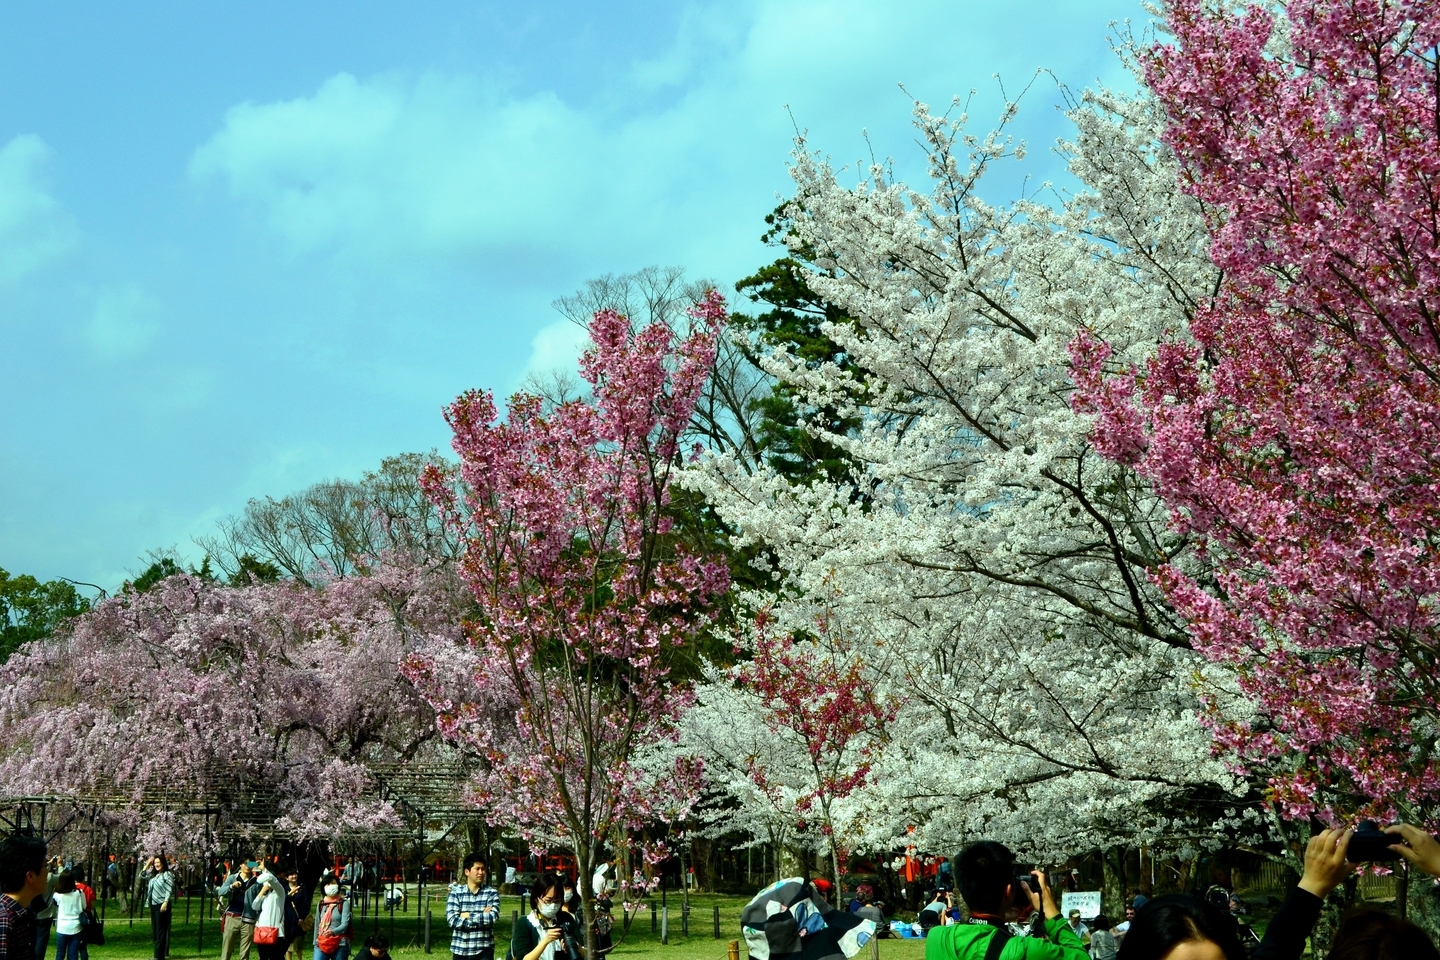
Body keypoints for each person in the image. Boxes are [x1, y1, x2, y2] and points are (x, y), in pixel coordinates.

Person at [925, 841, 1087, 960]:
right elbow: (1082, 957)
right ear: (1009, 891)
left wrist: (999, 919)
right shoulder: (1027, 950)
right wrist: (1053, 915)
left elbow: (977, 934)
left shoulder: (937, 937)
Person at [506, 873, 581, 960]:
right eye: (548, 901)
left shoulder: (566, 919)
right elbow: (524, 958)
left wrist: (576, 948)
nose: (553, 905)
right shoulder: (525, 924)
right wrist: (545, 941)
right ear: (536, 898)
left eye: (557, 901)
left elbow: (586, 952)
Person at [1, 834, 48, 960]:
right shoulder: (5, 920)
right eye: (46, 866)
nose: (48, 872)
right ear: (30, 876)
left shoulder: (25, 913)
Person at [446, 854, 499, 960]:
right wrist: (481, 916)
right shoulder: (456, 893)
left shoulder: (491, 893)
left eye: (483, 869)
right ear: (467, 872)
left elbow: (492, 918)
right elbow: (452, 920)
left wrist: (467, 915)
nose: (481, 872)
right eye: (477, 869)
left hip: (484, 950)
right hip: (460, 950)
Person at [217, 860, 260, 960]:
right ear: (240, 864)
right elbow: (221, 891)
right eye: (245, 864)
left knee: (245, 952)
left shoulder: (256, 881)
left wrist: (261, 865)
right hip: (232, 917)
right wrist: (232, 886)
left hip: (248, 919)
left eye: (251, 864)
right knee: (227, 948)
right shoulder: (232, 877)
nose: (247, 866)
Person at [250, 862, 288, 960]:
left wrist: (264, 871)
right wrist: (262, 891)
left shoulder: (280, 893)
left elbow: (273, 880)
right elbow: (254, 906)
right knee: (263, 957)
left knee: (275, 956)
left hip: (275, 932)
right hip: (262, 931)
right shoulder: (265, 896)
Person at [312, 876, 351, 960]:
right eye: (328, 884)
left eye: (333, 883)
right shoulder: (321, 904)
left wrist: (333, 932)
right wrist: (315, 942)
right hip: (322, 942)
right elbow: (317, 924)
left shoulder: (343, 904)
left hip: (339, 943)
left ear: (338, 885)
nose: (330, 886)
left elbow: (345, 924)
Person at [147, 856, 175, 960]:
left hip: (162, 905)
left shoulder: (167, 874)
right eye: (155, 863)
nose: (157, 865)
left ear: (163, 863)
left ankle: (158, 956)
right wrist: (147, 864)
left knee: (160, 931)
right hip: (154, 905)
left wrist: (166, 902)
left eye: (158, 862)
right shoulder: (155, 876)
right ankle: (160, 954)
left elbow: (169, 889)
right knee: (155, 931)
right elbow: (142, 875)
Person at [50, 875, 83, 960]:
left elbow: (55, 905)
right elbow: (84, 907)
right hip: (76, 926)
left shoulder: (57, 895)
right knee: (73, 954)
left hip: (62, 927)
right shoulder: (79, 892)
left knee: (60, 953)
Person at [32, 859, 59, 960]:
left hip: (32, 912)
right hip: (46, 913)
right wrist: (60, 865)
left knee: (32, 940)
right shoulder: (49, 877)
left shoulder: (29, 876)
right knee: (41, 941)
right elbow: (63, 878)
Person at [283, 867, 311, 960]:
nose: (294, 876)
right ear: (287, 877)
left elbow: (306, 903)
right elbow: (283, 901)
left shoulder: (303, 888)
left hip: (299, 920)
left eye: (295, 874)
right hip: (287, 920)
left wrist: (302, 917)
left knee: (298, 945)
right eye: (291, 875)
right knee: (287, 945)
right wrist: (291, 893)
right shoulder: (284, 888)